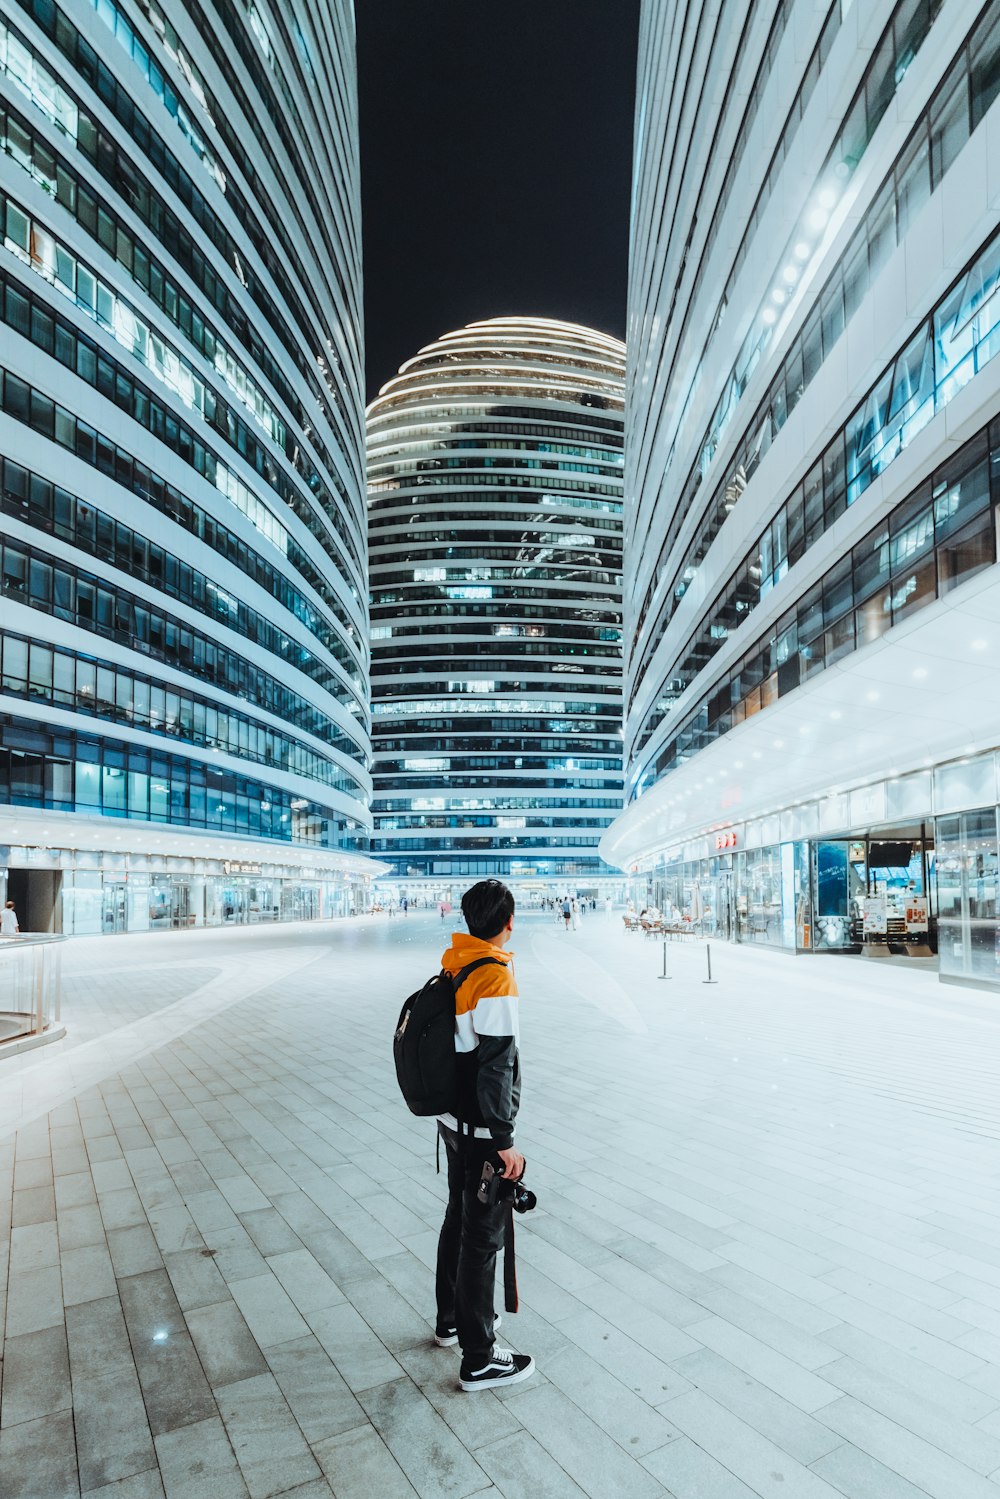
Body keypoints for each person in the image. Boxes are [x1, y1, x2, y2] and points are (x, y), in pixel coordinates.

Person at [434, 879, 534, 1392]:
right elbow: (496, 1066)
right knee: (483, 1238)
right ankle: (480, 1358)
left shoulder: (456, 963)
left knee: (458, 1217)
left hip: (451, 1122)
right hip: (479, 1131)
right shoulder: (493, 977)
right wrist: (505, 1138)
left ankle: (449, 1319)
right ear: (508, 921)